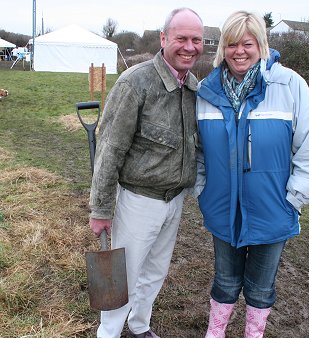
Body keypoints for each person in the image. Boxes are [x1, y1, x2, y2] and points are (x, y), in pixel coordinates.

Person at [194, 10, 309, 337]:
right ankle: (215, 333)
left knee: (259, 288)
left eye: (247, 43)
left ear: (261, 45)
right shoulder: (205, 91)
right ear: (222, 49)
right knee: (224, 282)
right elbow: (197, 153)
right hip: (222, 209)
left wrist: (292, 201)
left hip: (272, 211)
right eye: (231, 44)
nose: (239, 51)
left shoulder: (289, 85)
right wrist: (203, 191)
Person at [88, 7, 204, 338]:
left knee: (155, 272)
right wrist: (101, 208)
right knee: (123, 274)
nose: (189, 46)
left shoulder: (193, 88)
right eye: (181, 38)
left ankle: (140, 326)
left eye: (196, 39)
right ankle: (108, 333)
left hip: (174, 200)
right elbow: (110, 149)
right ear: (164, 38)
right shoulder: (136, 82)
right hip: (138, 201)